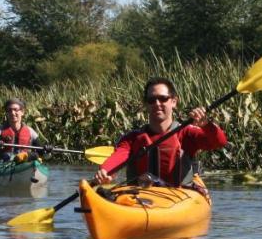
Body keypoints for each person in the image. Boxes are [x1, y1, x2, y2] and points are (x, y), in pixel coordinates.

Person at [93, 78, 227, 187]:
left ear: (174, 101)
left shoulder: (187, 133)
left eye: (163, 99)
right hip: (140, 196)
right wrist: (106, 171)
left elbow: (219, 142)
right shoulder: (132, 138)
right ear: (146, 104)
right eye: (152, 100)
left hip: (179, 197)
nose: (157, 103)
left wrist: (206, 125)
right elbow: (119, 156)